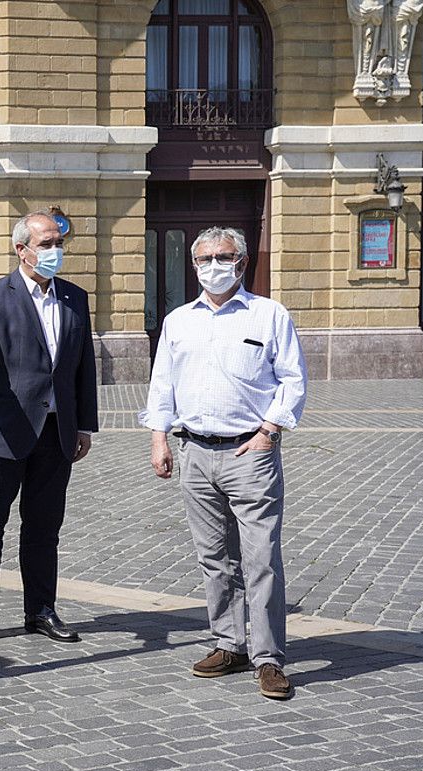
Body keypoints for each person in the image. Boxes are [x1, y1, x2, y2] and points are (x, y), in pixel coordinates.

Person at [141, 226, 306, 701]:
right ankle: (229, 644)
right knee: (215, 558)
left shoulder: (268, 315)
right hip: (194, 451)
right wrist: (160, 439)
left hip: (249, 454)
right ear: (193, 266)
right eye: (204, 258)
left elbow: (293, 379)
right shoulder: (178, 321)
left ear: (242, 260)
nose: (214, 265)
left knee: (260, 558)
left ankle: (269, 657)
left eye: (224, 256)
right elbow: (162, 384)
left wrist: (268, 432)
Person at [0, 209, 98, 643]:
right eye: (45, 244)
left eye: (58, 244)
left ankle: (41, 611)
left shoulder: (74, 297)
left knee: (44, 529)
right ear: (21, 250)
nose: (54, 252)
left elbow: (82, 366)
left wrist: (84, 424)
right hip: (3, 433)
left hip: (56, 432)